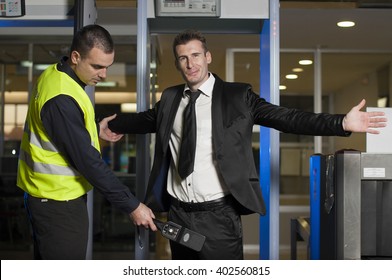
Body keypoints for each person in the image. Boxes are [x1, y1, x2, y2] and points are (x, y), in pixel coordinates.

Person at [105, 30, 386, 260]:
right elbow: (145, 120)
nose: (190, 64)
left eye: (195, 55)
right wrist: (110, 125)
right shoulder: (169, 99)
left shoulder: (237, 97)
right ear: (178, 63)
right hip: (178, 214)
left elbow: (287, 117)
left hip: (218, 216)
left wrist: (341, 123)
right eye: (183, 58)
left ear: (208, 57)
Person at [16, 24, 157, 260]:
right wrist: (132, 205)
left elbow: (62, 133)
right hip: (58, 203)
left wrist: (94, 128)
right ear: (75, 57)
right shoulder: (61, 98)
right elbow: (89, 162)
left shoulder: (55, 75)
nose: (104, 74)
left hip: (48, 198)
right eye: (97, 66)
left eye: (107, 67)